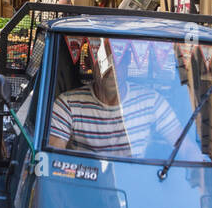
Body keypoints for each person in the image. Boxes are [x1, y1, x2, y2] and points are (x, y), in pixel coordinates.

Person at [47, 37, 186, 158]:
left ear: (127, 64)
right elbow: (53, 154)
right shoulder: (67, 104)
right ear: (91, 65)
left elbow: (185, 147)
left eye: (118, 60)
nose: (111, 70)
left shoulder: (151, 101)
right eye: (103, 61)